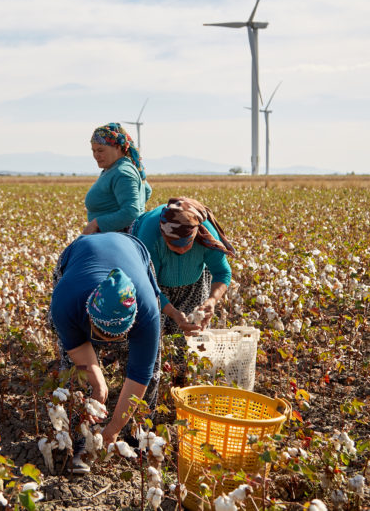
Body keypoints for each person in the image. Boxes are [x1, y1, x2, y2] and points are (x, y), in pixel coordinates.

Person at [49, 232, 199, 457]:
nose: (108, 342)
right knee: (71, 364)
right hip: (82, 251)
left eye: (117, 336)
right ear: (89, 311)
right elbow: (77, 346)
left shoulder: (148, 312)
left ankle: (137, 431)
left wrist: (113, 429)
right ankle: (78, 436)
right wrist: (98, 384)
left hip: (134, 252)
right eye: (100, 333)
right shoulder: (66, 300)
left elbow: (140, 375)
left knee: (152, 367)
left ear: (133, 320)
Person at [131, 197, 236, 335]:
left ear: (196, 235)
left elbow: (222, 272)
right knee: (150, 332)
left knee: (191, 333)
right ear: (163, 237)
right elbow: (148, 286)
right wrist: (173, 313)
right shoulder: (149, 237)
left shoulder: (206, 235)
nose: (181, 250)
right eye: (173, 245)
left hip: (194, 280)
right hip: (155, 284)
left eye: (187, 245)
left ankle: (183, 356)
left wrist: (212, 300)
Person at [83, 123, 152, 234]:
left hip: (114, 236)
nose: (96, 155)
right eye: (93, 151)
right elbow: (147, 190)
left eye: (100, 150)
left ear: (118, 147)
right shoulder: (114, 169)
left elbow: (131, 212)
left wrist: (97, 223)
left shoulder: (122, 172)